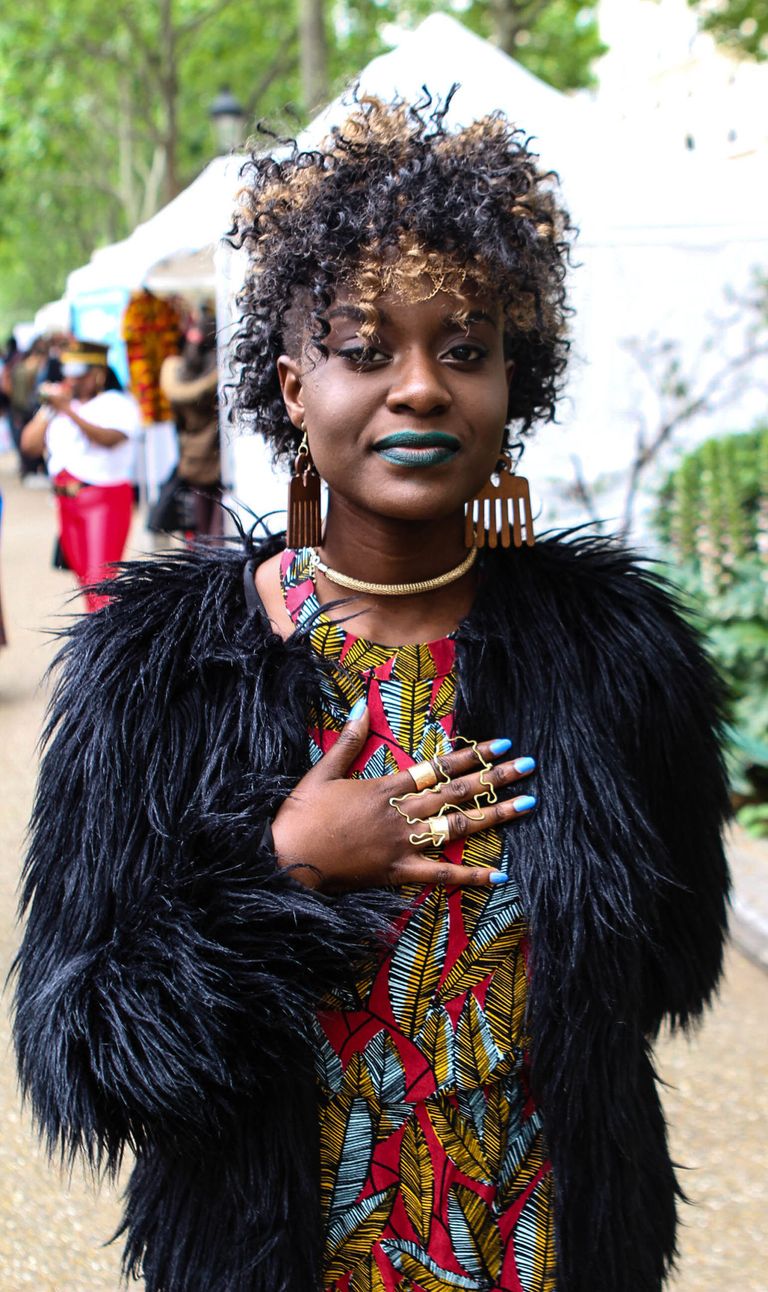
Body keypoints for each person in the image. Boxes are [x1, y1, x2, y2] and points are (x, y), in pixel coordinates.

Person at [13, 96, 730, 1292]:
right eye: (364, 347)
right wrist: (281, 869)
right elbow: (77, 1047)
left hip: (547, 1250)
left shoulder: (614, 650)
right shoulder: (158, 668)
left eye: (465, 347)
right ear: (294, 386)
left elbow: (673, 956)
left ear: (514, 382)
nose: (419, 387)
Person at [20, 340, 141, 611]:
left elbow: (109, 439)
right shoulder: (58, 406)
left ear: (97, 374)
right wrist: (47, 410)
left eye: (80, 375)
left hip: (104, 499)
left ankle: (107, 647)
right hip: (66, 502)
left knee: (101, 584)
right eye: (68, 374)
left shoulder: (116, 404)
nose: (72, 381)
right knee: (85, 583)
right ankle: (96, 643)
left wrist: (67, 410)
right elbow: (28, 445)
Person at [152, 305, 223, 540]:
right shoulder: (216, 375)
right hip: (214, 457)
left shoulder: (179, 373)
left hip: (191, 456)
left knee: (198, 524)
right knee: (217, 527)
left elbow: (178, 422)